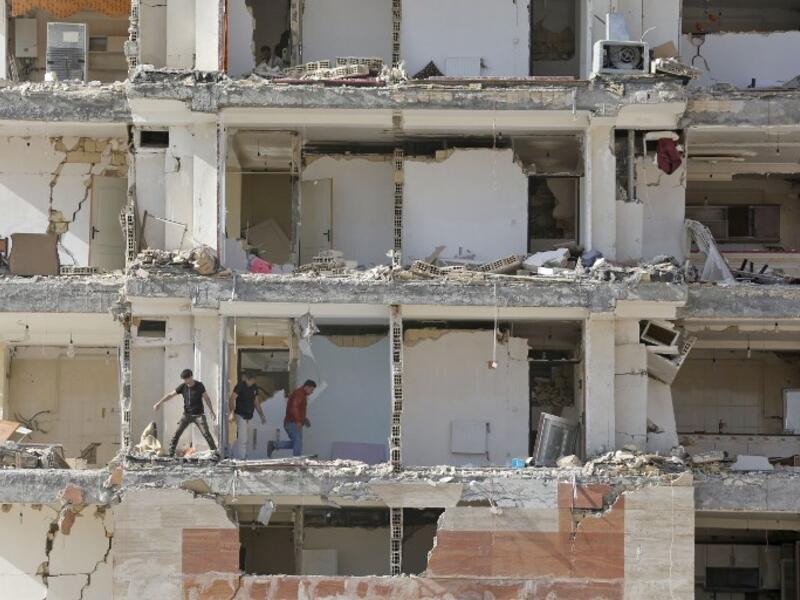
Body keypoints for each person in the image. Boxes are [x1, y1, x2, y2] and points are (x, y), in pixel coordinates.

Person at [154, 369, 217, 456]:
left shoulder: (199, 385)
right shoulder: (183, 386)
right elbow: (170, 395)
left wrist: (211, 410)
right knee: (177, 433)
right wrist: (159, 403)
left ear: (191, 376)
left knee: (206, 433)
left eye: (186, 379)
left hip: (199, 415)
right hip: (187, 415)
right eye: (184, 379)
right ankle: (171, 453)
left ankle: (214, 453)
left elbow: (206, 397)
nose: (185, 381)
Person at [267, 379, 316, 458]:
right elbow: (294, 407)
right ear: (306, 387)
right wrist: (298, 421)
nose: (312, 392)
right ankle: (296, 460)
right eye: (311, 390)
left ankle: (274, 445)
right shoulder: (299, 394)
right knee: (297, 442)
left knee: (297, 443)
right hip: (292, 423)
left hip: (294, 422)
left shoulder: (301, 394)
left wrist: (304, 419)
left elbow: (299, 409)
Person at [228, 371, 266, 459]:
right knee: (243, 438)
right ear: (251, 379)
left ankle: (235, 453)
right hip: (240, 414)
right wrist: (231, 413)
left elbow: (256, 402)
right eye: (254, 380)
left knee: (245, 437)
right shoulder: (240, 386)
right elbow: (232, 399)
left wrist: (262, 415)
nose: (255, 381)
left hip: (249, 415)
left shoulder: (254, 387)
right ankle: (242, 458)